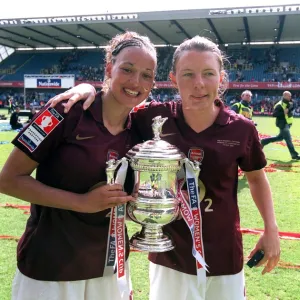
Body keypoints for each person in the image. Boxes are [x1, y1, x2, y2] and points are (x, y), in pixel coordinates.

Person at [49, 36, 280, 300]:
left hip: (224, 255)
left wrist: (271, 229)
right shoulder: (153, 119)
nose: (199, 84)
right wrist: (87, 89)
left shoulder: (241, 129)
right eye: (188, 74)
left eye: (208, 74)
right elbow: (112, 104)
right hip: (168, 256)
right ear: (173, 79)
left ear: (221, 78)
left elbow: (256, 179)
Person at [0, 31, 157, 300]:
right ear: (109, 68)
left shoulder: (143, 129)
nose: (136, 82)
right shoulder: (63, 110)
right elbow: (8, 179)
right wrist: (82, 202)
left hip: (110, 268)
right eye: (127, 69)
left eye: (147, 75)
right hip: (50, 269)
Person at [261, 91, 300, 160]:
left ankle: (263, 141)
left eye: (290, 96)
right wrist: (283, 112)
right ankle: (294, 155)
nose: (290, 97)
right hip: (283, 124)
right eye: (289, 96)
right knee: (288, 140)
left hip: (287, 124)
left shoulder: (289, 103)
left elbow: (292, 107)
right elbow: (274, 114)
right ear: (284, 96)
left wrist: (289, 108)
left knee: (279, 138)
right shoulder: (279, 105)